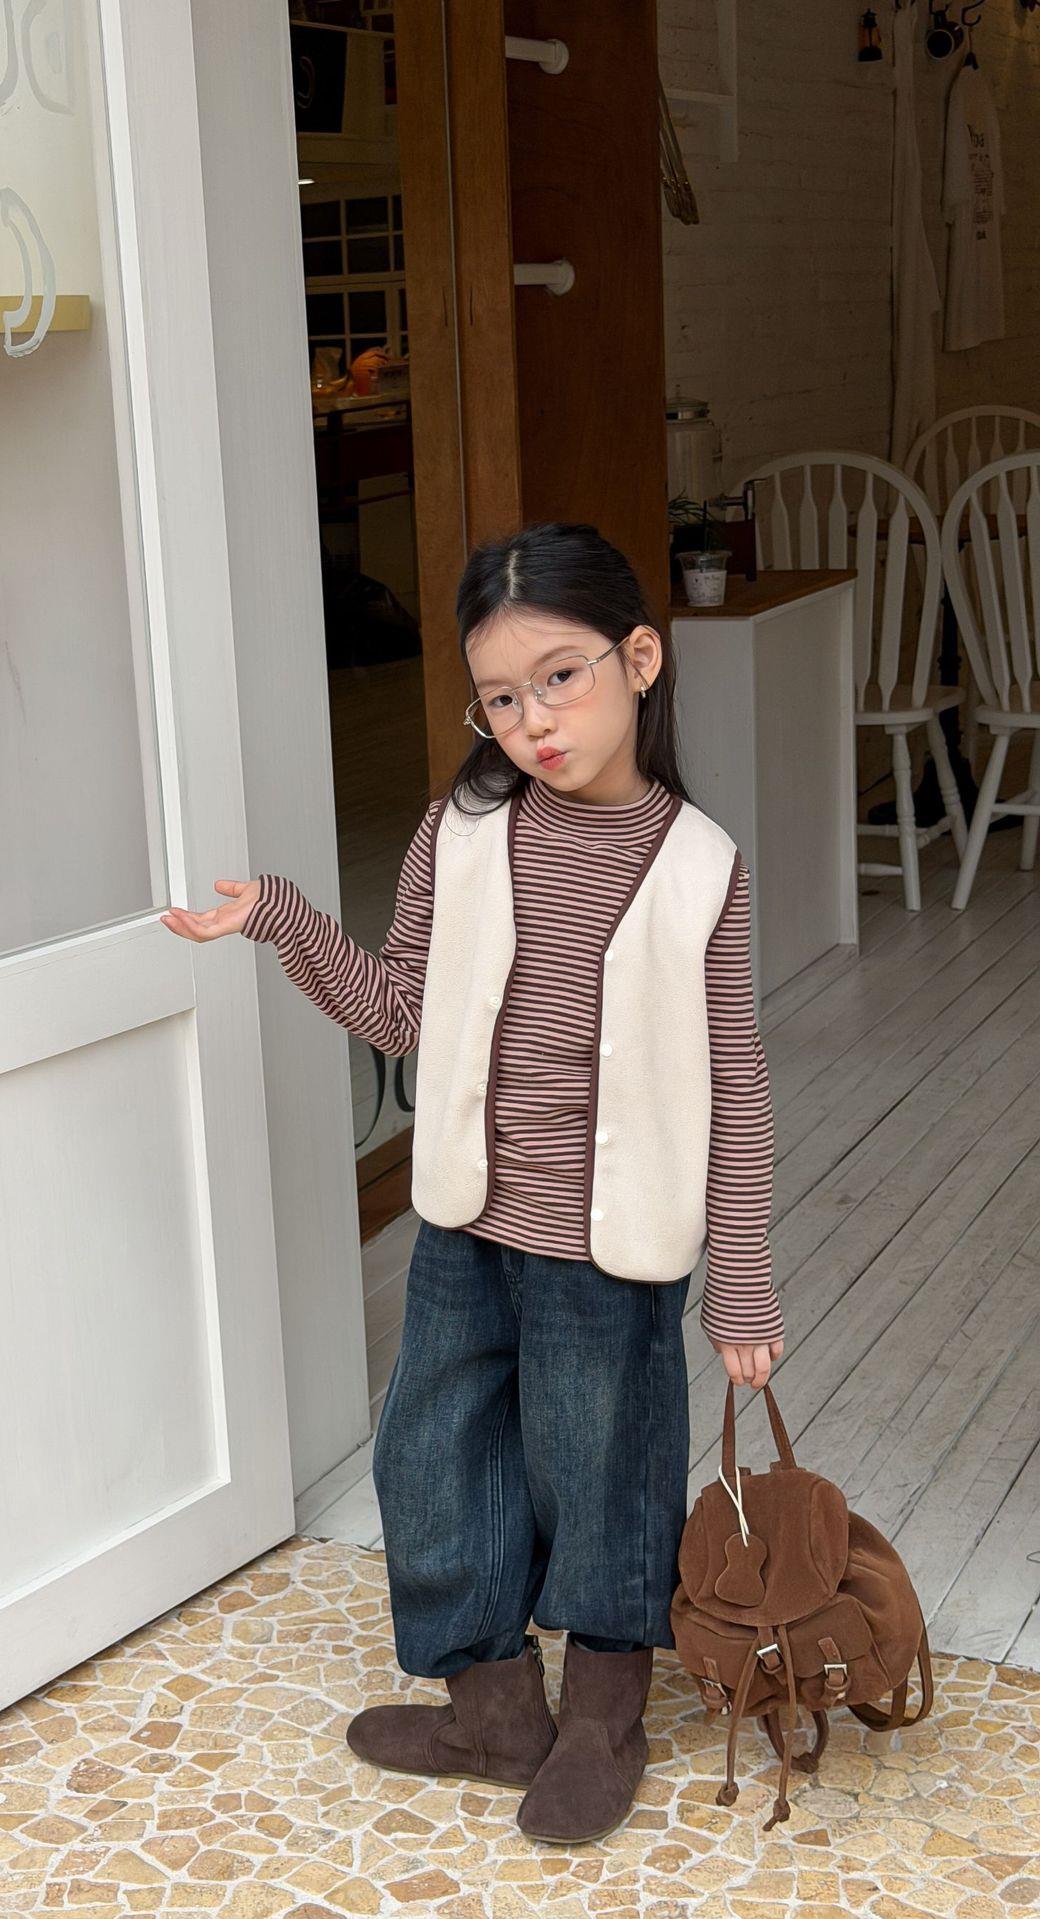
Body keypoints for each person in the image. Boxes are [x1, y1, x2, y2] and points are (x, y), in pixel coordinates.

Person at [159, 522, 785, 1847]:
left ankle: (603, 1722)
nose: (533, 721)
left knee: (600, 1471)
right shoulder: (462, 831)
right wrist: (284, 919)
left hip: (610, 1252)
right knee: (432, 1456)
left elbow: (735, 1084)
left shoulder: (701, 867)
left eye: (560, 678)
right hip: (465, 1225)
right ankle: (494, 1714)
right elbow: (399, 1010)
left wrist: (743, 1285)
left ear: (640, 659)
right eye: (501, 698)